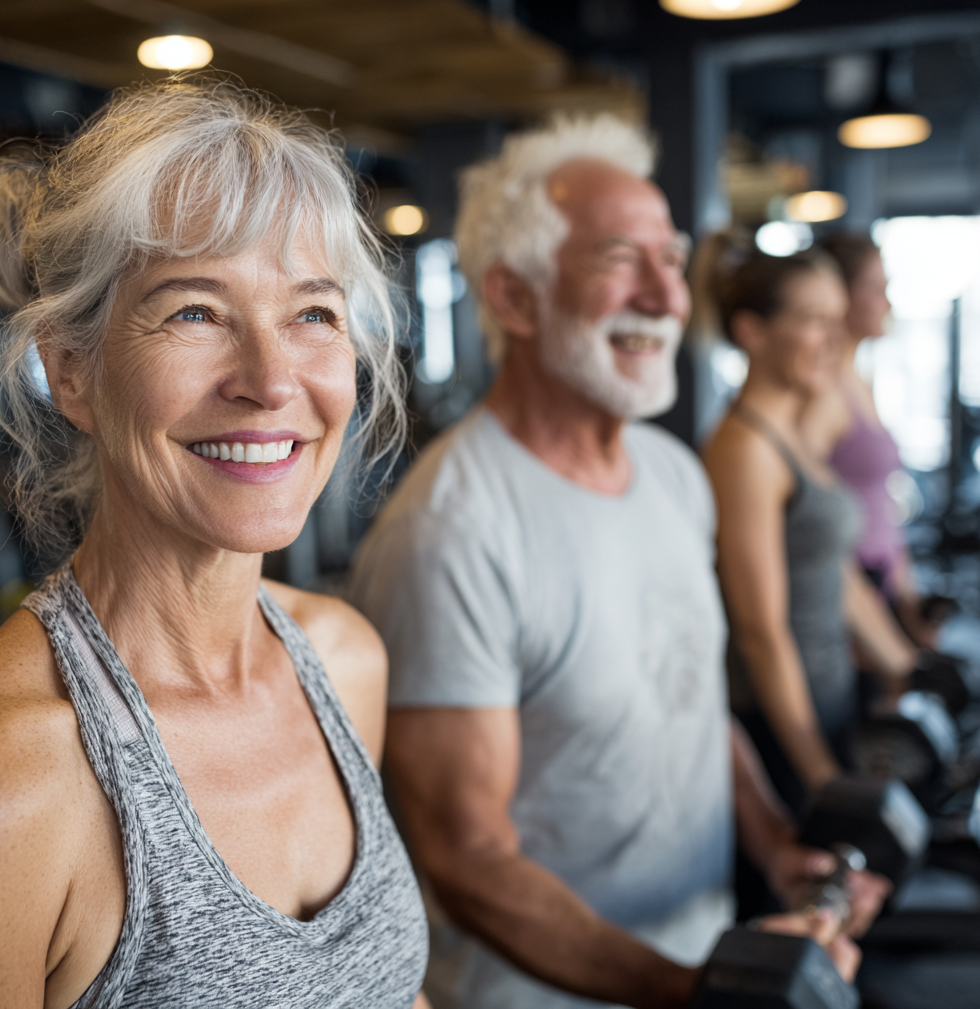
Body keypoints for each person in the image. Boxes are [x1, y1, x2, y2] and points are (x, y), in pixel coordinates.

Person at [350, 117, 886, 1009]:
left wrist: (776, 846)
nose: (667, 296)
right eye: (619, 260)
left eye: (670, 260)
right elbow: (468, 861)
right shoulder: (451, 530)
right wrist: (690, 990)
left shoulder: (674, 476)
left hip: (696, 960)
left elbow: (691, 704)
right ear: (515, 298)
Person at [0, 80, 428, 1009]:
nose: (271, 380)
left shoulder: (344, 664)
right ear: (72, 370)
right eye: (195, 312)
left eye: (312, 313)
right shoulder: (6, 777)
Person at [701, 240, 918, 813]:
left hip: (829, 696)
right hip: (783, 728)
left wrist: (906, 665)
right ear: (751, 331)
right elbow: (761, 633)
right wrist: (820, 774)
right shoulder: (744, 450)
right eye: (814, 321)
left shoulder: (792, 433)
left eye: (837, 319)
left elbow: (835, 570)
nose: (834, 339)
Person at [803, 233, 937, 647]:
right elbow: (807, 518)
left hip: (883, 584)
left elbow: (880, 504)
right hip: (851, 603)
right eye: (876, 290)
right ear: (840, 295)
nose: (888, 304)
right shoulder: (822, 394)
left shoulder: (859, 379)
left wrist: (907, 595)